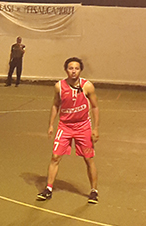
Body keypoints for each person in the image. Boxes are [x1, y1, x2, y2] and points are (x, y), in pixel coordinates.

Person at [36, 57, 100, 203]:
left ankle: (94, 191)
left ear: (80, 70)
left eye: (76, 68)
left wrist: (96, 128)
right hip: (65, 126)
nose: (73, 71)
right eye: (71, 68)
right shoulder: (59, 86)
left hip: (83, 127)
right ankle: (48, 189)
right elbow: (55, 105)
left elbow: (95, 107)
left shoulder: (87, 86)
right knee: (55, 157)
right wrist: (51, 124)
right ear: (66, 70)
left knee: (88, 159)